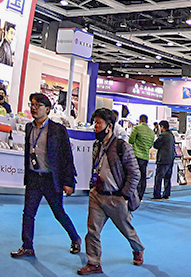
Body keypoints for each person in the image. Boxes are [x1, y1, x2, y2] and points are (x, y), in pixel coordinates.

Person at [11, 93, 82, 259]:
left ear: (47, 109)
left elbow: (66, 157)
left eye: (38, 105)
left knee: (59, 213)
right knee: (28, 213)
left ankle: (75, 238)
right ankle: (27, 246)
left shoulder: (58, 130)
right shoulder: (29, 128)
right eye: (32, 105)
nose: (34, 108)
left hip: (51, 179)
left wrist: (69, 182)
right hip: (34, 177)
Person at [78, 108, 145, 275]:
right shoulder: (97, 145)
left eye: (98, 123)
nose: (95, 126)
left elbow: (135, 173)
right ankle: (94, 263)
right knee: (92, 230)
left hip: (116, 197)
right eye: (94, 123)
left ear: (109, 126)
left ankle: (138, 248)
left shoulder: (122, 146)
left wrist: (125, 195)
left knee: (126, 229)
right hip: (97, 195)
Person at [128, 115, 154, 200]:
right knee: (143, 177)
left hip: (136, 155)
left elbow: (131, 140)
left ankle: (133, 195)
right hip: (145, 156)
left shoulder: (137, 128)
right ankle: (140, 196)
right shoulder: (151, 132)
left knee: (134, 176)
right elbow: (150, 145)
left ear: (140, 120)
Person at [149, 120, 175, 201]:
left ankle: (157, 195)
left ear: (162, 127)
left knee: (158, 178)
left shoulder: (163, 135)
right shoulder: (171, 135)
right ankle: (166, 195)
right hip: (170, 159)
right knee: (167, 178)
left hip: (163, 159)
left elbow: (156, 145)